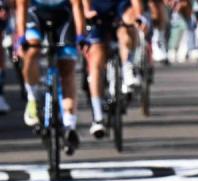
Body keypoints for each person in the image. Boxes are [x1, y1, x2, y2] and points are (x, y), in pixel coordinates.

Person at [16, 0, 85, 150]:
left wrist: (80, 36)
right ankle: (32, 98)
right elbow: (21, 5)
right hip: (35, 14)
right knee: (32, 51)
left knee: (67, 68)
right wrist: (21, 38)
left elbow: (77, 5)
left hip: (63, 16)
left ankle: (69, 124)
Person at [83, 0, 147, 138]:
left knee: (128, 26)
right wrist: (87, 11)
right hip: (96, 10)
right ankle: (98, 116)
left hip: (119, 7)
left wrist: (139, 16)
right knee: (96, 61)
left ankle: (127, 69)